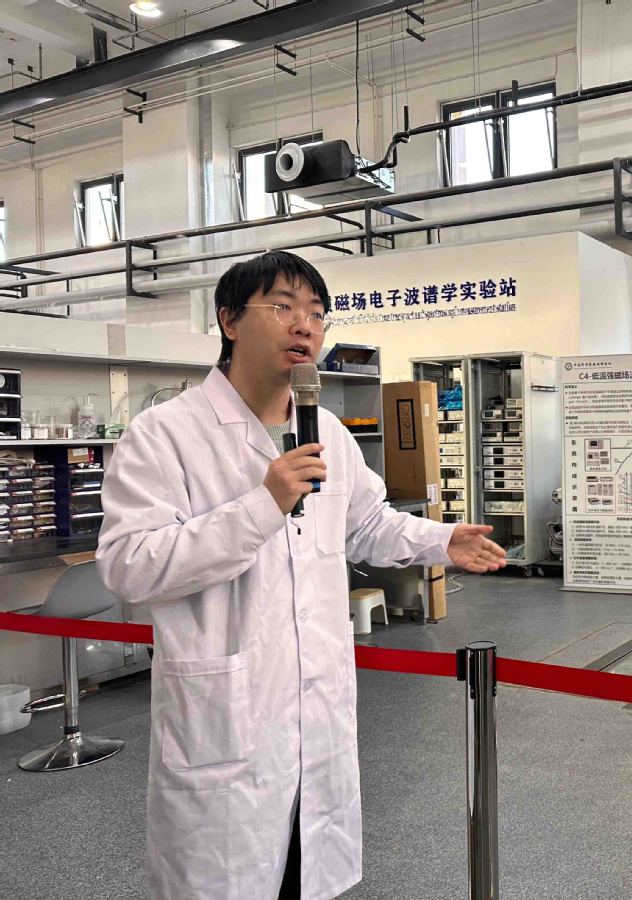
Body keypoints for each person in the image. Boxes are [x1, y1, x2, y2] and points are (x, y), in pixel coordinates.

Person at [96, 250, 507, 900]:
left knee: (305, 876)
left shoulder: (329, 433)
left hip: (316, 715)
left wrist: (439, 540)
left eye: (316, 313)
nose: (304, 326)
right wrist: (262, 506)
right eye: (283, 307)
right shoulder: (164, 435)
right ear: (230, 320)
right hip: (226, 723)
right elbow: (128, 565)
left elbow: (365, 524)